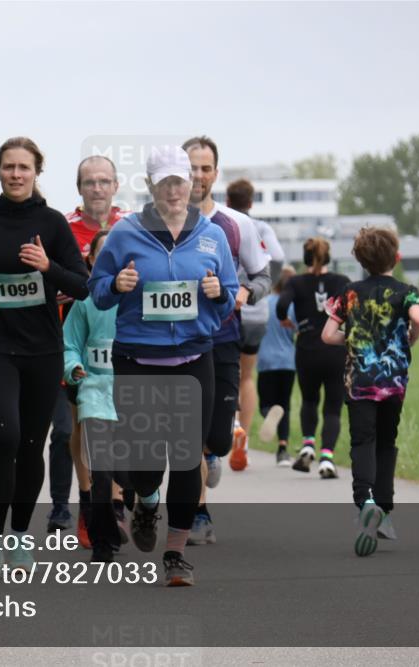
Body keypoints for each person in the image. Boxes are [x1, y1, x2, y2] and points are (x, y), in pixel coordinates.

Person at [89, 145, 238, 586]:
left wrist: (218, 294)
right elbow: (96, 292)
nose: (174, 190)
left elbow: (229, 299)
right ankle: (147, 501)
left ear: (190, 185)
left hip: (195, 357)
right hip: (139, 360)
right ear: (152, 186)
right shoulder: (124, 233)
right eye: (166, 182)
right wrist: (116, 283)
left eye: (181, 182)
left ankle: (175, 556)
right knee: (147, 460)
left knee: (188, 456)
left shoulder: (211, 234)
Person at [0, 136, 89, 571]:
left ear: (36, 173)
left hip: (42, 349)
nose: (16, 174)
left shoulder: (51, 222)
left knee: (31, 444)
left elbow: (82, 284)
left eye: (24, 168)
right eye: (9, 167)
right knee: (7, 434)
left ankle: (18, 536)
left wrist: (48, 267)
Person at [182, 136, 271, 546]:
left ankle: (216, 450)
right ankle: (198, 512)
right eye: (191, 168)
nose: (198, 176)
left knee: (215, 435)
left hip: (223, 337)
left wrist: (243, 293)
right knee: (189, 431)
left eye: (205, 168)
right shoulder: (159, 222)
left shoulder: (237, 224)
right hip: (177, 342)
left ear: (216, 173)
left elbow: (263, 276)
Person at [322, 227, 419, 556]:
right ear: (397, 257)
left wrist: (351, 340)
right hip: (393, 383)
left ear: (360, 260)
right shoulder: (407, 291)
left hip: (360, 382)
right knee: (386, 443)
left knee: (361, 442)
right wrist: (410, 337)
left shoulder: (349, 293)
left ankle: (364, 500)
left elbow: (327, 335)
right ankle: (384, 511)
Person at [49, 155, 128, 536]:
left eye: (104, 181)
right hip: (74, 341)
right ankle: (86, 502)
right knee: (75, 425)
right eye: (89, 182)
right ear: (79, 188)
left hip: (122, 341)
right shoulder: (63, 228)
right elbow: (42, 275)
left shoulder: (132, 226)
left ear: (115, 186)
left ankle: (114, 500)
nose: (97, 188)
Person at [63, 229, 121, 560]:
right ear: (92, 261)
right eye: (104, 254)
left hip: (135, 394)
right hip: (95, 391)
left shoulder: (140, 296)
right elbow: (70, 343)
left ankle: (141, 504)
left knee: (134, 472)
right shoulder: (85, 302)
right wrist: (73, 367)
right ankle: (103, 540)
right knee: (101, 469)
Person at [225, 177, 287, 471]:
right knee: (247, 377)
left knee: (226, 372)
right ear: (251, 202)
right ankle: (245, 438)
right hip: (257, 311)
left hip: (227, 309)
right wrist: (262, 287)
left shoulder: (224, 224)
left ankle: (232, 424)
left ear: (228, 201)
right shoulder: (261, 228)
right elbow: (278, 257)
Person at [276, 237, 349, 479]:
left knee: (309, 401)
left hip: (307, 350)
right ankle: (327, 457)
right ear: (328, 257)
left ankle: (308, 444)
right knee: (333, 408)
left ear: (306, 258)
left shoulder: (296, 282)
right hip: (336, 352)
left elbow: (281, 306)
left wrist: (286, 321)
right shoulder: (342, 282)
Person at [257, 266, 298, 465]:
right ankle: (283, 450)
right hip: (288, 361)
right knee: (285, 406)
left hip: (266, 361)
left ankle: (268, 414)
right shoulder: (293, 307)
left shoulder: (264, 303)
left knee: (266, 404)